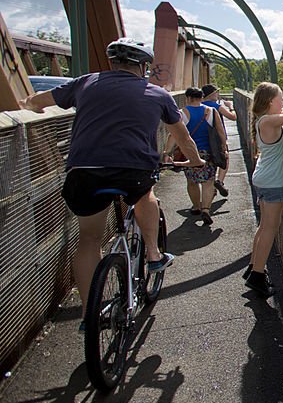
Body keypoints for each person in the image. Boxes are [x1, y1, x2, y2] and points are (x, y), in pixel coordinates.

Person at [19, 38, 204, 330]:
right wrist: (196, 161)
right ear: (143, 67)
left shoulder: (85, 83)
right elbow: (183, 137)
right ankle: (154, 254)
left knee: (89, 240)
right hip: (133, 171)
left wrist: (29, 106)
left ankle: (89, 316)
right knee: (145, 194)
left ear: (112, 63)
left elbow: (37, 101)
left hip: (84, 172)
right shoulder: (157, 94)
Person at [245, 82, 283, 297]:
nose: (282, 102)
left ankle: (253, 267)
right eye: (280, 99)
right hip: (272, 182)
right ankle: (258, 276)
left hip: (264, 179)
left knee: (263, 227)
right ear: (271, 102)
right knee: (270, 228)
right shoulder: (270, 121)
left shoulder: (265, 120)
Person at [166, 88, 226, 225]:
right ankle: (206, 209)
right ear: (202, 97)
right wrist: (224, 147)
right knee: (208, 181)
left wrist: (167, 152)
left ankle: (196, 206)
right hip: (209, 152)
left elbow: (173, 135)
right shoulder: (211, 111)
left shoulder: (182, 113)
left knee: (192, 181)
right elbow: (220, 131)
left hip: (190, 152)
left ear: (187, 98)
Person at [201, 83, 236, 197]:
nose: (218, 94)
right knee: (224, 158)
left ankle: (209, 187)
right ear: (211, 94)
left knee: (208, 164)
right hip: (217, 138)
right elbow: (232, 117)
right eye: (216, 92)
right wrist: (231, 106)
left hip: (203, 139)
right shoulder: (216, 106)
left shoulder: (199, 105)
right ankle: (219, 181)